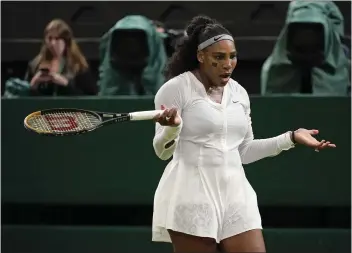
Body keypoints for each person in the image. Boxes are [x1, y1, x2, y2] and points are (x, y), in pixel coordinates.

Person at [151, 16, 336, 253]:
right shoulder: (175, 89)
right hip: (191, 195)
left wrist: (291, 137)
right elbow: (161, 151)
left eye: (232, 56)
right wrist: (173, 128)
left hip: (236, 196)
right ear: (201, 56)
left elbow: (244, 151)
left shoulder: (239, 93)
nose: (228, 64)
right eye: (219, 57)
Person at [25, 19, 98, 96]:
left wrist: (65, 84)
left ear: (66, 41)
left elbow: (90, 97)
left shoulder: (79, 66)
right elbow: (22, 98)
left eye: (57, 39)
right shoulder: (35, 64)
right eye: (50, 38)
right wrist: (34, 84)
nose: (53, 43)